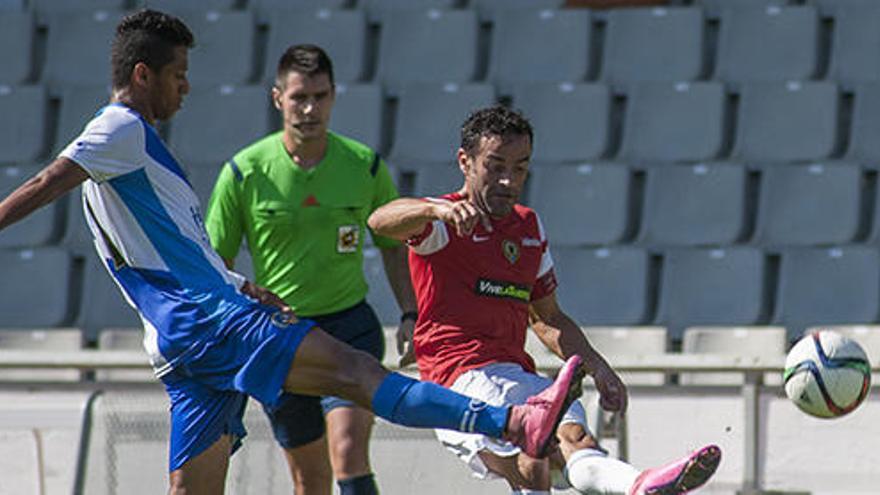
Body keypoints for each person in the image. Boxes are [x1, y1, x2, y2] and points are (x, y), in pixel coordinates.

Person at [0, 11, 590, 494]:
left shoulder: (349, 162)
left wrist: (236, 281)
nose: (186, 86)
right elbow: (45, 182)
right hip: (217, 326)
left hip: (183, 337)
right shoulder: (121, 128)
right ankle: (513, 420)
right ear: (143, 74)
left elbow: (182, 250)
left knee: (197, 487)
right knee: (361, 378)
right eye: (178, 73)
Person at [367, 105, 722, 495]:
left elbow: (547, 317)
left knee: (574, 444)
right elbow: (380, 220)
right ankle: (634, 484)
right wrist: (436, 209)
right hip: (462, 378)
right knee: (534, 465)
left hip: (520, 374)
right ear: (465, 162)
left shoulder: (528, 227)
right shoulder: (442, 222)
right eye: (495, 165)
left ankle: (635, 485)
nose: (508, 179)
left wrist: (598, 367)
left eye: (520, 167)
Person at [204, 44, 416, 495]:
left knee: (348, 452)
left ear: (334, 96)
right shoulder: (244, 172)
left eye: (319, 96)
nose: (309, 108)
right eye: (299, 97)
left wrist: (411, 313)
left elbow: (395, 248)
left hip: (348, 327)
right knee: (311, 479)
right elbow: (214, 265)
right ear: (277, 97)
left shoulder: (364, 165)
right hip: (281, 335)